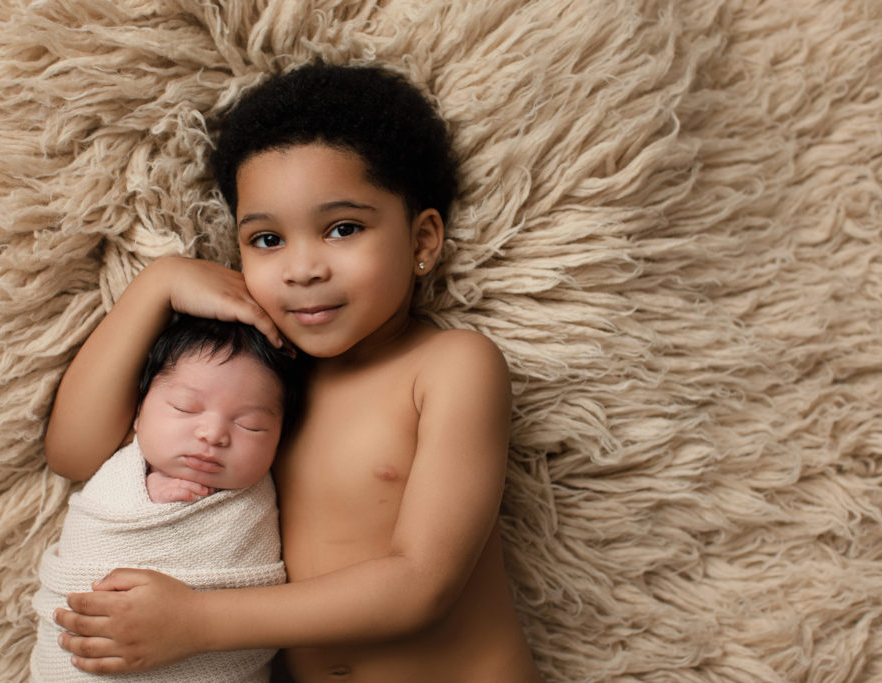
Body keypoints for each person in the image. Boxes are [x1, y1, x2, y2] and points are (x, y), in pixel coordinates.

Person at [45, 62, 542, 682]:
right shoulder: (261, 378)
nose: (302, 269)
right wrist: (158, 285)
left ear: (422, 241)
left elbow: (420, 584)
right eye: (267, 240)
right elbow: (76, 452)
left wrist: (199, 623)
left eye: (343, 228)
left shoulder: (450, 367)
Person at [32, 315, 300, 682]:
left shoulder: (262, 500)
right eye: (186, 408)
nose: (213, 434)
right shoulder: (118, 475)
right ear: (139, 412)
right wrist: (144, 495)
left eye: (250, 425)